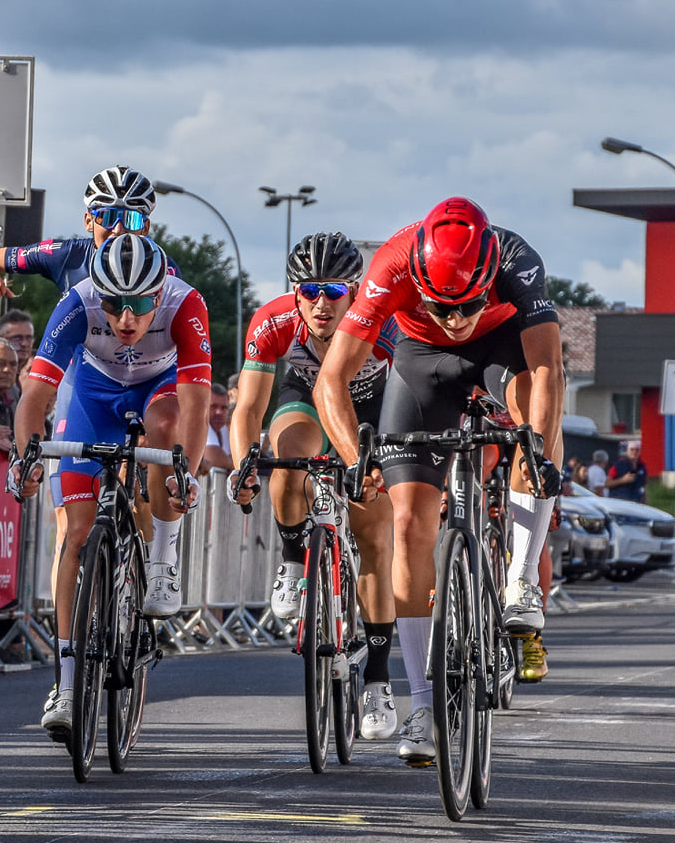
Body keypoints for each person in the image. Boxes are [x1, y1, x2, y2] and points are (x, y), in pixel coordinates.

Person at [312, 196, 564, 768]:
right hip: (421, 360)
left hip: (501, 351)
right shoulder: (393, 266)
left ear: (486, 276)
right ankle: (424, 704)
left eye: (465, 304)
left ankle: (521, 581)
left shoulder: (517, 260)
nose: (454, 318)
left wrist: (540, 448)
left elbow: (547, 368)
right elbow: (333, 380)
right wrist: (357, 459)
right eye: (441, 306)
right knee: (407, 523)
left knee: (534, 423)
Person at [9, 233, 210, 742]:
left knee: (166, 424)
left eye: (138, 306)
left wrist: (186, 467)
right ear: (99, 293)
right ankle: (68, 684)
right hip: (93, 398)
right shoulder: (77, 302)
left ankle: (161, 563)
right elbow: (35, 396)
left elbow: (196, 404)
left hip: (160, 391)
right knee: (75, 536)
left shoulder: (185, 303)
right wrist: (25, 456)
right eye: (115, 304)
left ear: (158, 292)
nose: (125, 319)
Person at [231, 231, 401, 738]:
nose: (321, 303)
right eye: (309, 290)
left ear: (355, 290)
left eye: (333, 291)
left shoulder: (383, 321)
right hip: (304, 397)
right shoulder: (274, 321)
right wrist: (243, 466)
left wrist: (375, 466)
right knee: (288, 459)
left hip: (371, 408)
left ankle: (377, 678)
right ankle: (291, 560)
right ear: (294, 291)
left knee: (374, 539)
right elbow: (248, 407)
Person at [0, 166, 158, 300]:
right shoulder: (66, 254)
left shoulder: (163, 268)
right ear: (88, 221)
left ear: (145, 227)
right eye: (107, 217)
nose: (118, 229)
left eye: (131, 219)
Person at [203, 381, 233, 472]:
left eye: (224, 408)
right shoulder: (202, 423)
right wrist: (233, 466)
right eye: (213, 406)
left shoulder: (223, 429)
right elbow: (213, 456)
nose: (219, 412)